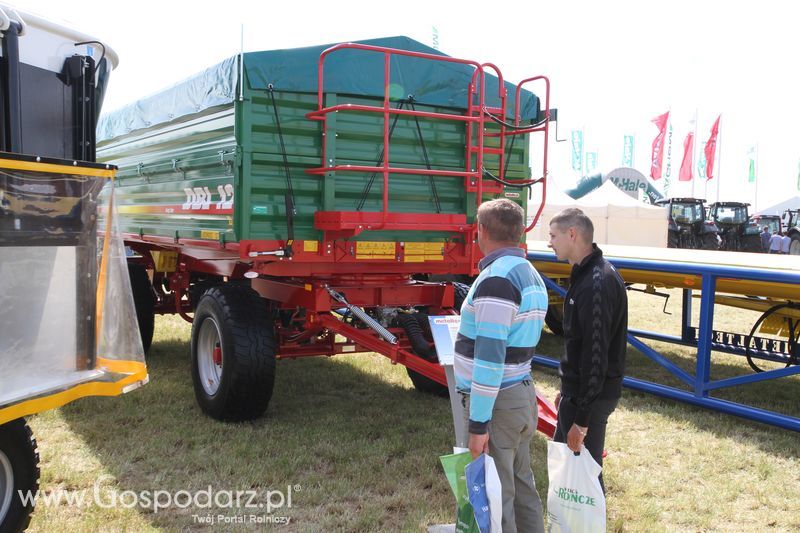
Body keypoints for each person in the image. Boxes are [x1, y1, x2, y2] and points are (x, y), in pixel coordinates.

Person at [455, 198, 548, 533]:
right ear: (519, 231)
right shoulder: (529, 273)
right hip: (521, 395)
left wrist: (478, 426)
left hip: (498, 404)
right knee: (523, 491)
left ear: (481, 231)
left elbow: (490, 360)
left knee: (497, 498)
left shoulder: (496, 280)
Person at [547, 208, 627, 493]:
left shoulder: (597, 282)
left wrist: (581, 419)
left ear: (572, 234)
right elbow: (581, 345)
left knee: (586, 480)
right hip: (581, 394)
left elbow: (596, 355)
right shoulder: (587, 274)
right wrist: (568, 389)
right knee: (573, 475)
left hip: (590, 398)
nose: (550, 242)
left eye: (553, 235)